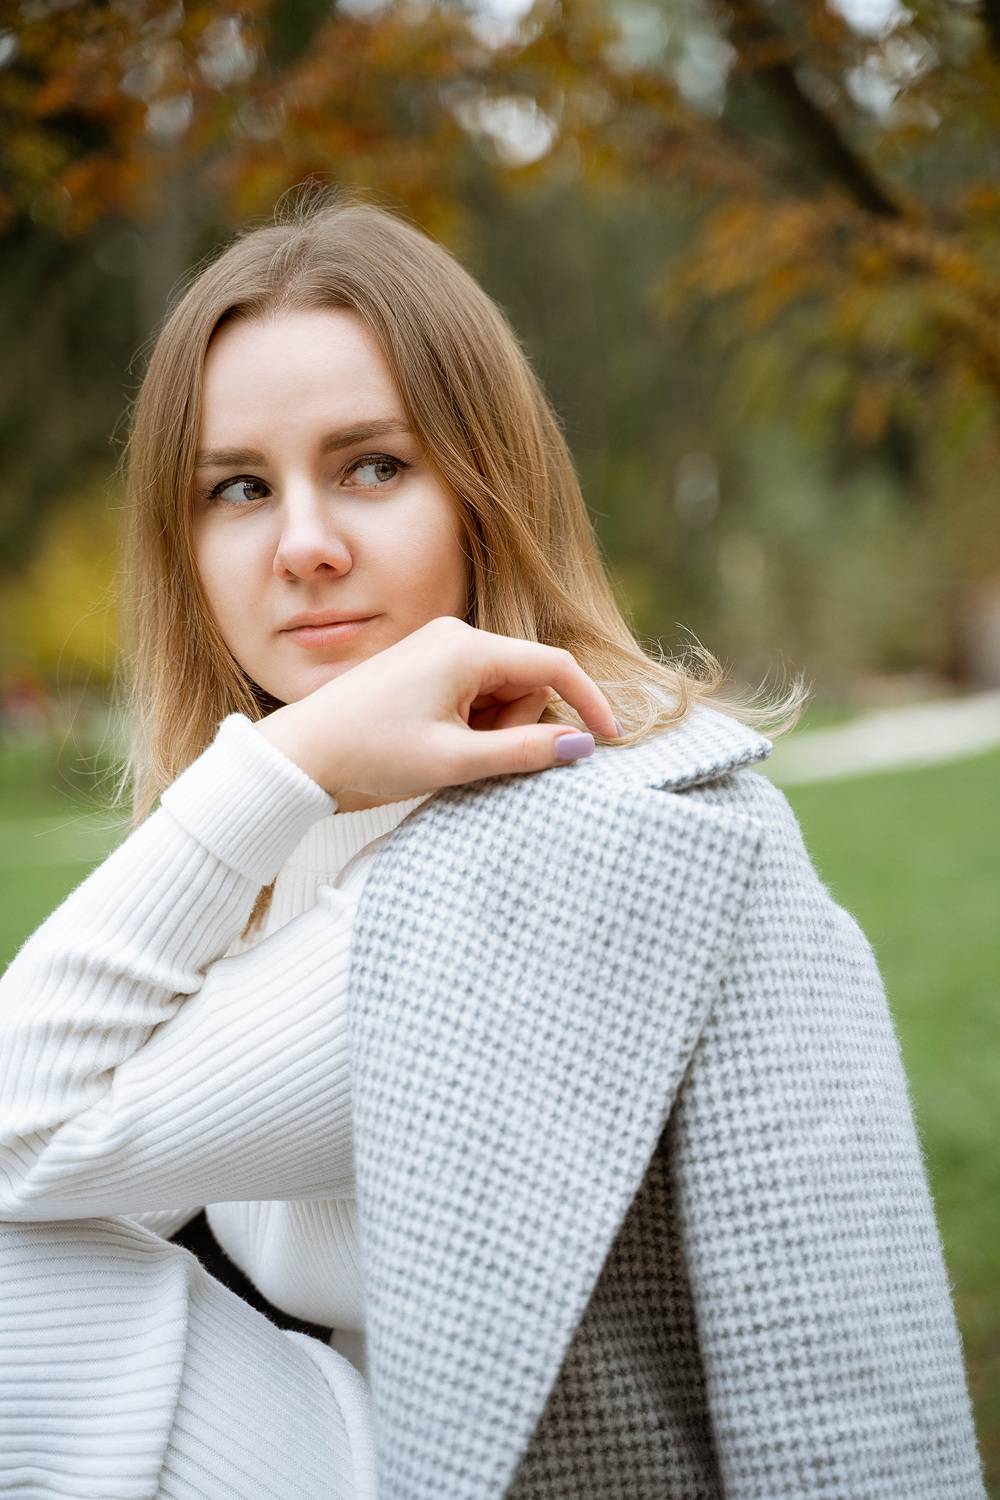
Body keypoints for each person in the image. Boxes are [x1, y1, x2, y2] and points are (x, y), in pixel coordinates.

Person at [0, 187, 985, 1500]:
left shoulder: (599, 843)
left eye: (373, 466)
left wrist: (281, 764)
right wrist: (295, 775)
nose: (304, 546)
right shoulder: (293, 843)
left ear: (486, 491)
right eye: (239, 488)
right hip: (342, 1434)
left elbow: (855, 1400)